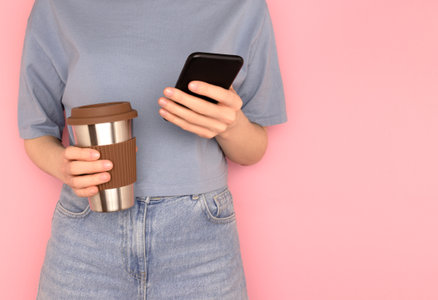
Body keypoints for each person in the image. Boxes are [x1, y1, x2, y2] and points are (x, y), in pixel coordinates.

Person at [18, 0, 287, 299]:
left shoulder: (243, 7)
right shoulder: (56, 6)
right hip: (87, 234)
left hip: (201, 241)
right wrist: (63, 165)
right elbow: (37, 132)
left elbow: (253, 150)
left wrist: (230, 125)